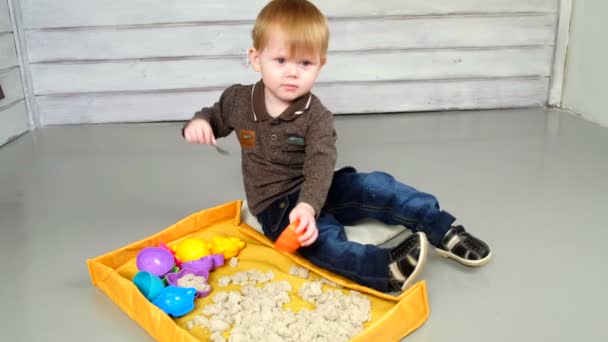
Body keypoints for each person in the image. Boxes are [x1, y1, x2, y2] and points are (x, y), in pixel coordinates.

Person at [182, 0, 491, 292]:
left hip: (319, 186)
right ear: (255, 58)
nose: (292, 72)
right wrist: (199, 124)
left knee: (377, 186)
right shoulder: (238, 100)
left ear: (320, 65)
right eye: (280, 60)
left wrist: (309, 203)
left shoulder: (316, 116)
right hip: (276, 204)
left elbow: (320, 161)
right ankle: (383, 269)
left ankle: (442, 229)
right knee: (321, 240)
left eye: (305, 63)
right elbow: (213, 117)